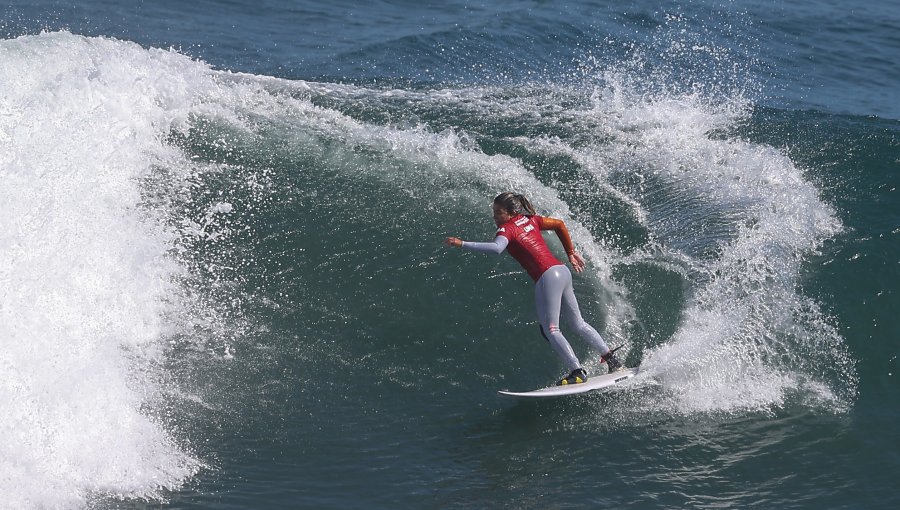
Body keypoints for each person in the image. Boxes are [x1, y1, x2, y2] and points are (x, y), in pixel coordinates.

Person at [445, 192, 623, 386]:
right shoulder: (530, 220)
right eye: (494, 212)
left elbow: (496, 249)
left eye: (498, 212)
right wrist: (570, 253)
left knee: (551, 329)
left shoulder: (507, 229)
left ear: (511, 212)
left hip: (547, 276)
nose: (495, 216)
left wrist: (462, 243)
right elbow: (559, 224)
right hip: (561, 270)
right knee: (577, 323)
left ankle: (577, 371)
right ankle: (613, 361)